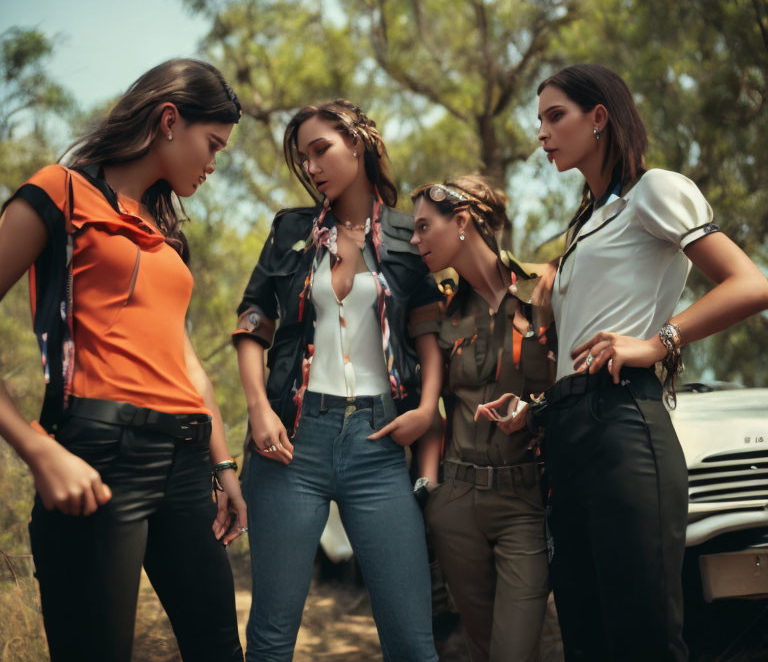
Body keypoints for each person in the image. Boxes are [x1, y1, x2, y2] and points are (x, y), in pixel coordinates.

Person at [478, 63, 768, 661]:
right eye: (539, 121)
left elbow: (750, 284)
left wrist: (661, 341)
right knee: (587, 640)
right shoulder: (585, 224)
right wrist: (533, 412)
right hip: (568, 436)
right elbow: (582, 347)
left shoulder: (654, 190)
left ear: (600, 118)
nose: (542, 133)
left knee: (642, 642)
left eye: (555, 116)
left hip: (624, 431)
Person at [0, 59, 247, 662]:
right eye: (211, 145)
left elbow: (183, 359)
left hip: (188, 462)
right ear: (169, 120)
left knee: (219, 648)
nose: (213, 164)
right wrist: (37, 448)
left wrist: (223, 466)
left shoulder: (164, 234)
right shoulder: (60, 191)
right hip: (100, 456)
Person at [233, 99, 443, 662]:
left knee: (412, 639)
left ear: (358, 142)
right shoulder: (291, 231)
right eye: (304, 159)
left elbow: (427, 329)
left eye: (321, 149)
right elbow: (252, 323)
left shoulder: (406, 233)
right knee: (272, 636)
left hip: (379, 442)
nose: (313, 167)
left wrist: (426, 409)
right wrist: (258, 408)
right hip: (291, 443)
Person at [409, 175, 556, 662]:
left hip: (524, 502)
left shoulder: (544, 289)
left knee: (514, 651)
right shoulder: (438, 307)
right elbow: (427, 405)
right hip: (457, 503)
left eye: (425, 227)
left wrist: (534, 413)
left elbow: (570, 384)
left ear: (464, 223)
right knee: (482, 647)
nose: (415, 240)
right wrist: (430, 492)